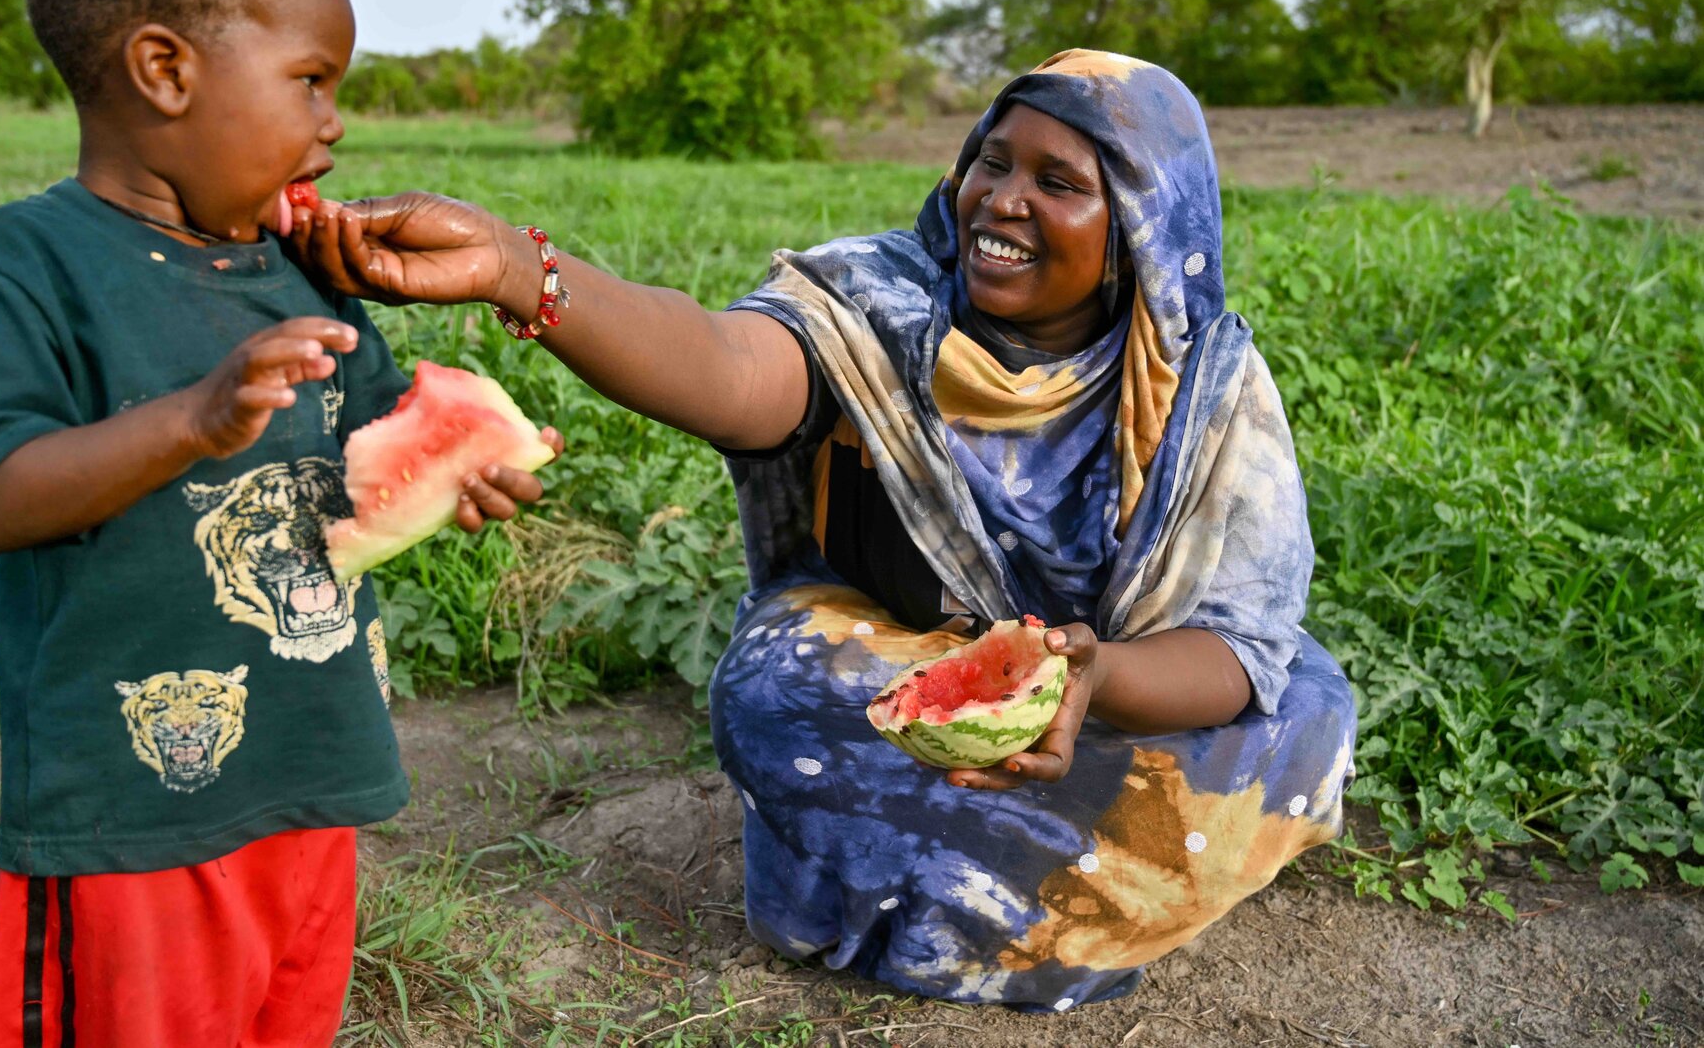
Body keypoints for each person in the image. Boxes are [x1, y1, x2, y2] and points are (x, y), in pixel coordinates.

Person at [294, 49, 1356, 1009]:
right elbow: (724, 364)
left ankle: (948, 868)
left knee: (1302, 716)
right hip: (887, 657)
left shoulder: (1208, 390)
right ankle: (1070, 876)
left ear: (1138, 225)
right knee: (777, 692)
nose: (1004, 199)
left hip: (1114, 691)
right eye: (993, 162)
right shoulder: (876, 305)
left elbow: (1232, 647)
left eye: (1059, 182)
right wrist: (521, 271)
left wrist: (1089, 678)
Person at [0, 0, 557, 1048]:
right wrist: (192, 422)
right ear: (166, 71)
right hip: (132, 810)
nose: (335, 122)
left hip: (311, 775)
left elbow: (366, 446)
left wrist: (456, 467)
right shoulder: (24, 265)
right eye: (311, 82)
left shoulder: (297, 271)